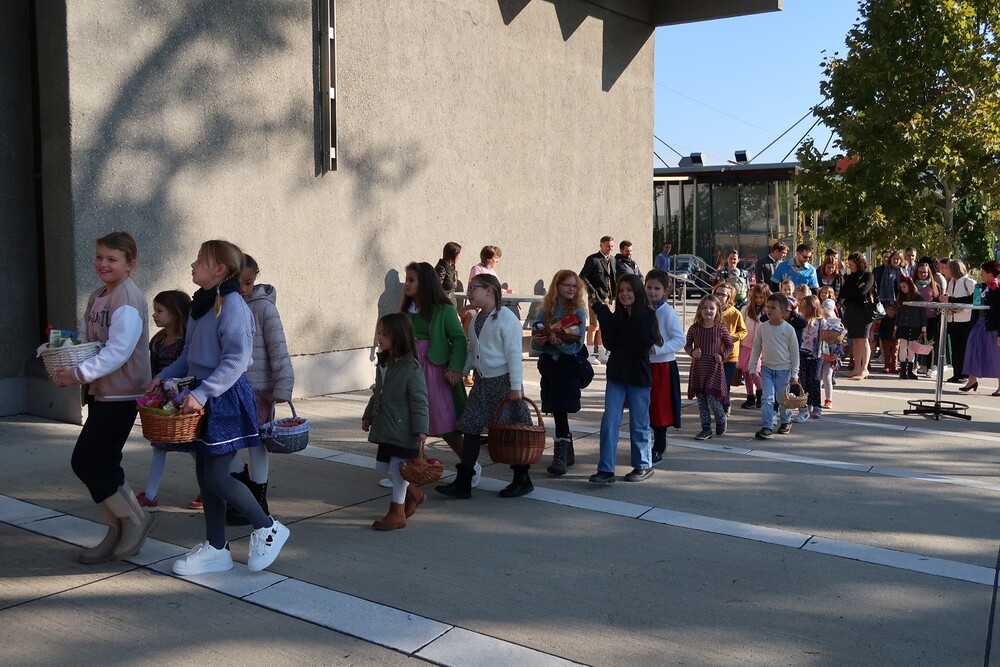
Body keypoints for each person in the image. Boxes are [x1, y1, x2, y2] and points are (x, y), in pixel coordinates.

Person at [151, 240, 290, 576]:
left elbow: (237, 360)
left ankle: (268, 527)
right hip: (203, 397)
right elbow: (189, 356)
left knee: (216, 477)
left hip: (223, 398)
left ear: (219, 270)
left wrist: (204, 392)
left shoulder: (233, 307)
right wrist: (162, 377)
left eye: (200, 261)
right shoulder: (201, 305)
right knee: (205, 475)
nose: (193, 265)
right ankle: (216, 547)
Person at [53, 231, 154, 564]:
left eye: (112, 259)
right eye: (99, 257)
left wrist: (78, 374)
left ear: (130, 264)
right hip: (102, 392)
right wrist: (67, 362)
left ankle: (135, 520)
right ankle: (115, 530)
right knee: (104, 462)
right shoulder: (98, 295)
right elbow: (89, 342)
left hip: (122, 394)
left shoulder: (127, 298)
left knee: (86, 460)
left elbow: (119, 350)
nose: (103, 264)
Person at [435, 273, 531, 498]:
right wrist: (461, 371)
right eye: (469, 288)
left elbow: (515, 355)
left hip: (504, 384)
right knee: (470, 427)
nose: (469, 292)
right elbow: (472, 351)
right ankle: (464, 482)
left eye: (473, 288)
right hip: (482, 383)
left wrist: (515, 387)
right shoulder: (478, 318)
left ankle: (522, 479)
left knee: (512, 432)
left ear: (489, 291)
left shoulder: (507, 319)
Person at [225, 254, 295, 525]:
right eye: (239, 282)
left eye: (249, 282)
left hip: (258, 391)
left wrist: (283, 385)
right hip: (230, 389)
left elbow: (278, 348)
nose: (244, 289)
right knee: (227, 443)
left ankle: (259, 498)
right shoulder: (224, 306)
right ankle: (242, 492)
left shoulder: (264, 308)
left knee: (256, 444)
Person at [397, 263, 471, 484]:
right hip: (409, 369)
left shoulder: (444, 310)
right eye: (406, 279)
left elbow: (459, 339)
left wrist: (455, 368)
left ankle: (470, 465)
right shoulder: (405, 310)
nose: (406, 284)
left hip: (433, 371)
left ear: (425, 283)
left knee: (444, 421)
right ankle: (412, 468)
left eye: (411, 280)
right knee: (407, 419)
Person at [588, 274, 659, 484]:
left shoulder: (646, 315)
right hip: (617, 374)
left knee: (639, 423)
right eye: (621, 291)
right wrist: (602, 311)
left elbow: (638, 344)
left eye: (629, 290)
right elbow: (610, 343)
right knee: (609, 421)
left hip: (638, 376)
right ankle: (605, 469)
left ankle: (643, 465)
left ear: (637, 292)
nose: (624, 294)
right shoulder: (618, 317)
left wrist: (626, 315)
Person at [362, 313, 429, 530]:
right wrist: (368, 415)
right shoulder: (383, 363)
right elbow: (377, 394)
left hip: (404, 428)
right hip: (386, 426)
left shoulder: (411, 368)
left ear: (399, 336)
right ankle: (414, 494)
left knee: (397, 468)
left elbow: (420, 400)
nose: (379, 337)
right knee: (383, 467)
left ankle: (397, 513)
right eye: (378, 333)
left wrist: (421, 429)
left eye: (385, 334)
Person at [136, 290, 199, 512]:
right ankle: (150, 495)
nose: (154, 315)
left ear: (175, 313)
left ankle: (207, 490)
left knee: (193, 447)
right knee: (159, 448)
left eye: (159, 311)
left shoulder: (184, 344)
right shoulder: (158, 341)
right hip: (162, 404)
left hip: (181, 401)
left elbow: (188, 371)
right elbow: (154, 371)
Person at [530, 270, 589, 476]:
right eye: (567, 285)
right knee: (556, 409)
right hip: (550, 368)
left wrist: (560, 344)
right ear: (557, 286)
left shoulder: (579, 312)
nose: (572, 289)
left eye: (574, 285)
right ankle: (567, 452)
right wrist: (539, 340)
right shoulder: (544, 311)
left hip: (567, 367)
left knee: (560, 407)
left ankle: (561, 456)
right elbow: (534, 344)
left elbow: (577, 346)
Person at [645, 270, 685, 465]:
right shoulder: (642, 309)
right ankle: (647, 442)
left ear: (665, 291)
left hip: (662, 367)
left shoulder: (667, 312)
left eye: (657, 288)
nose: (652, 292)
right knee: (646, 406)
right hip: (645, 366)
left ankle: (659, 445)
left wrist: (658, 349)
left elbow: (680, 339)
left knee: (660, 407)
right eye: (649, 287)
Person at [749, 292, 801, 439]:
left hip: (784, 370)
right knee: (767, 398)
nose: (769, 310)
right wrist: (753, 367)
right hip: (766, 369)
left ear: (783, 311)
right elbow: (756, 349)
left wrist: (795, 373)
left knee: (782, 398)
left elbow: (795, 353)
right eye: (768, 307)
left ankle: (785, 420)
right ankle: (767, 426)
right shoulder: (762, 328)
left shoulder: (788, 329)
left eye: (773, 308)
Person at [685, 294, 733, 441]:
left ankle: (721, 418)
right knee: (701, 400)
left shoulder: (720, 328)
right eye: (704, 308)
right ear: (700, 310)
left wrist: (722, 355)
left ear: (717, 310)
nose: (708, 311)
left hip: (714, 368)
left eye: (711, 308)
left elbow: (730, 345)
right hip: (699, 368)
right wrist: (692, 352)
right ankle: (706, 428)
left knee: (712, 398)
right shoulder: (694, 328)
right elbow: (687, 344)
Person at [950, 260, 1000, 395]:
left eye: (983, 272)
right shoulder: (981, 287)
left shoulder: (998, 289)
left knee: (995, 356)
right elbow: (969, 299)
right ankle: (972, 380)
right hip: (979, 324)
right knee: (973, 351)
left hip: (993, 328)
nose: (981, 274)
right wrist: (950, 299)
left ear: (990, 274)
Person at [580, 236, 617, 363]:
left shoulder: (613, 260)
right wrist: (593, 293)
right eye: (607, 246)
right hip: (596, 298)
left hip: (609, 298)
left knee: (604, 325)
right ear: (601, 246)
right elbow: (582, 276)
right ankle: (590, 354)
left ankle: (602, 353)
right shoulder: (593, 259)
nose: (610, 249)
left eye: (611, 246)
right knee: (594, 325)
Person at [839, 252, 876, 380]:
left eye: (852, 264)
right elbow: (844, 293)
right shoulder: (849, 277)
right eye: (849, 265)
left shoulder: (868, 275)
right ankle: (856, 368)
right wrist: (856, 288)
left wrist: (854, 290)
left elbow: (863, 291)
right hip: (852, 310)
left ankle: (864, 368)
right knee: (855, 339)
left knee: (863, 338)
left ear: (858, 263)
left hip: (865, 311)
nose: (850, 267)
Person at [712, 283, 747, 415]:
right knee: (715, 382)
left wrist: (733, 337)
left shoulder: (735, 313)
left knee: (725, 382)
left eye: (723, 294)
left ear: (729, 298)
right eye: (717, 293)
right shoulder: (710, 310)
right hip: (713, 353)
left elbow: (743, 331)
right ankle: (719, 404)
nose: (719, 296)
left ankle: (725, 405)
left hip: (729, 355)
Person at [944, 259, 976, 383]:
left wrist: (961, 309)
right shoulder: (951, 282)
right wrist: (950, 308)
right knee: (955, 348)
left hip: (965, 320)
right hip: (953, 319)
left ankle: (965, 374)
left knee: (964, 348)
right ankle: (956, 373)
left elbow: (975, 301)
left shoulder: (969, 282)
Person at [739, 283, 770, 409]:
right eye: (756, 297)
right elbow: (741, 325)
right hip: (745, 344)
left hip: (760, 346)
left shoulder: (767, 311)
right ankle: (750, 396)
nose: (758, 300)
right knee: (746, 372)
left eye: (761, 297)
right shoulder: (746, 310)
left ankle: (761, 392)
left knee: (755, 371)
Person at [912, 261, 942, 376]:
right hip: (916, 318)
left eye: (925, 272)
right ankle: (914, 365)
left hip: (930, 318)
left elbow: (938, 301)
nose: (922, 274)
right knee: (915, 342)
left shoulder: (934, 285)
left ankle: (929, 367)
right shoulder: (912, 284)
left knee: (928, 342)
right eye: (920, 272)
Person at [797, 296, 824, 419]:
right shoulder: (800, 319)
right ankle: (806, 403)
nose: (803, 309)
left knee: (814, 380)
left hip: (815, 355)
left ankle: (816, 405)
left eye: (805, 306)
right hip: (801, 353)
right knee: (802, 380)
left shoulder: (820, 321)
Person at [894, 276, 926, 380]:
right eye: (901, 287)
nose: (902, 289)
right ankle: (903, 371)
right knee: (903, 346)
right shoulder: (901, 298)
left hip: (915, 325)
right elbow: (898, 314)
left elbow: (922, 314)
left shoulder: (919, 298)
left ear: (910, 286)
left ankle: (910, 370)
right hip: (903, 325)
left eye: (904, 287)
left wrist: (924, 329)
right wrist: (895, 327)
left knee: (912, 348)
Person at [435, 241, 462, 307]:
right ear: (453, 255)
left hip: (450, 305)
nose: (459, 257)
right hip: (443, 306)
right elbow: (437, 289)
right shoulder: (441, 269)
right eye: (458, 255)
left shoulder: (451, 269)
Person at [877, 302, 899, 375]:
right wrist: (883, 338)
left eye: (893, 309)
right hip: (886, 340)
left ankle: (894, 366)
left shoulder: (897, 319)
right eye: (889, 309)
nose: (891, 311)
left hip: (895, 340)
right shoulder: (884, 319)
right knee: (887, 354)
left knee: (895, 354)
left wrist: (898, 336)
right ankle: (887, 366)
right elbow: (881, 330)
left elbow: (899, 329)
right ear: (886, 310)